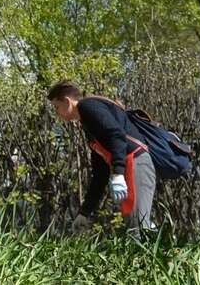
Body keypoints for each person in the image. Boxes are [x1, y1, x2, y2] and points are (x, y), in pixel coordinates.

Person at [48, 81, 157, 233]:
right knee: (134, 223)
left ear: (67, 101)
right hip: (129, 165)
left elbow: (116, 135)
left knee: (138, 224)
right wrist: (84, 213)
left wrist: (118, 173)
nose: (56, 112)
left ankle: (154, 254)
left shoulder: (88, 106)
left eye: (56, 107)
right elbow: (100, 174)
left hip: (136, 162)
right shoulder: (88, 124)